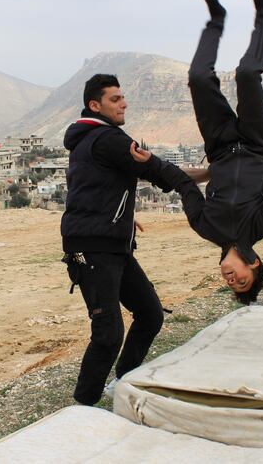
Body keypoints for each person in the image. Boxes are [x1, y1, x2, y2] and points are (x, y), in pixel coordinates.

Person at [131, 0, 263, 305]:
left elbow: (183, 184)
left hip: (220, 146)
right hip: (254, 143)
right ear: (254, 263)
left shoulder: (206, 227)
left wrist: (152, 162)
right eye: (242, 282)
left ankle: (216, 21)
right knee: (248, 73)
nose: (231, 280)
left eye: (231, 286)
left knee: (198, 77)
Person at [61, 74, 201, 406]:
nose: (124, 103)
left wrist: (121, 215)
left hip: (112, 244)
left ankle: (122, 381)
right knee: (108, 335)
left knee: (150, 314)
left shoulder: (90, 140)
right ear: (95, 105)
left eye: (123, 98)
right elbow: (156, 170)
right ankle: (84, 406)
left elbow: (93, 186)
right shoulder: (108, 139)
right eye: (115, 99)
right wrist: (207, 176)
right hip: (95, 247)